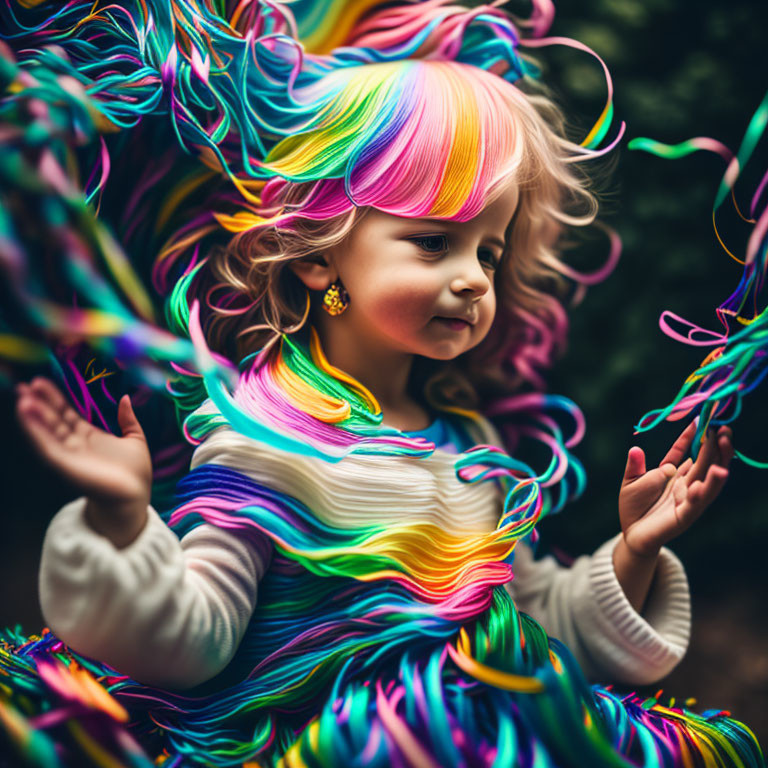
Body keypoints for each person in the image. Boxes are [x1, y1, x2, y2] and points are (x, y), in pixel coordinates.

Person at [2, 0, 762, 765]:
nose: (472, 280)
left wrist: (632, 550)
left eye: (489, 254)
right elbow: (197, 637)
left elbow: (536, 624)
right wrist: (123, 521)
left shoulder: (471, 445)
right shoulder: (266, 437)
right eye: (434, 242)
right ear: (318, 254)